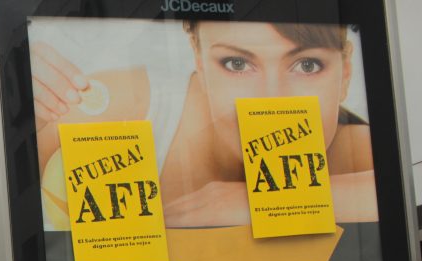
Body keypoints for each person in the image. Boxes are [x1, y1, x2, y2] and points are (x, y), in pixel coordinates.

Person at [32, 20, 377, 228]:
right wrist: (19, 114)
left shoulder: (353, 151)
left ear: (345, 72)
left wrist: (255, 203)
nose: (271, 100)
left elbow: (392, 193)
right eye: (237, 64)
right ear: (197, 58)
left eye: (307, 66)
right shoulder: (124, 111)